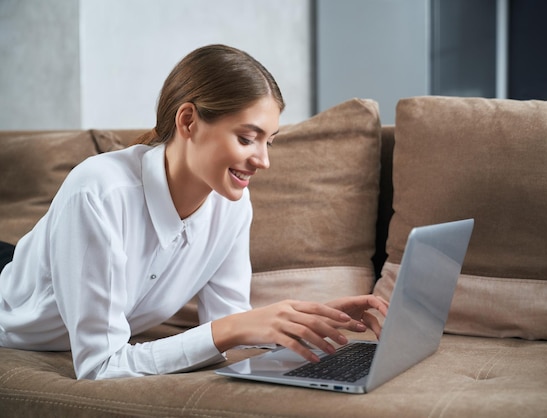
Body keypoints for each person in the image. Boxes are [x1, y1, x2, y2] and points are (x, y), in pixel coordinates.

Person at [0, 44, 387, 380]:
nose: (264, 160)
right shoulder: (99, 194)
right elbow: (101, 366)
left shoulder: (232, 205)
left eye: (270, 141)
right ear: (188, 121)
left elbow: (230, 320)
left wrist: (309, 320)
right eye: (247, 138)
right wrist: (231, 328)